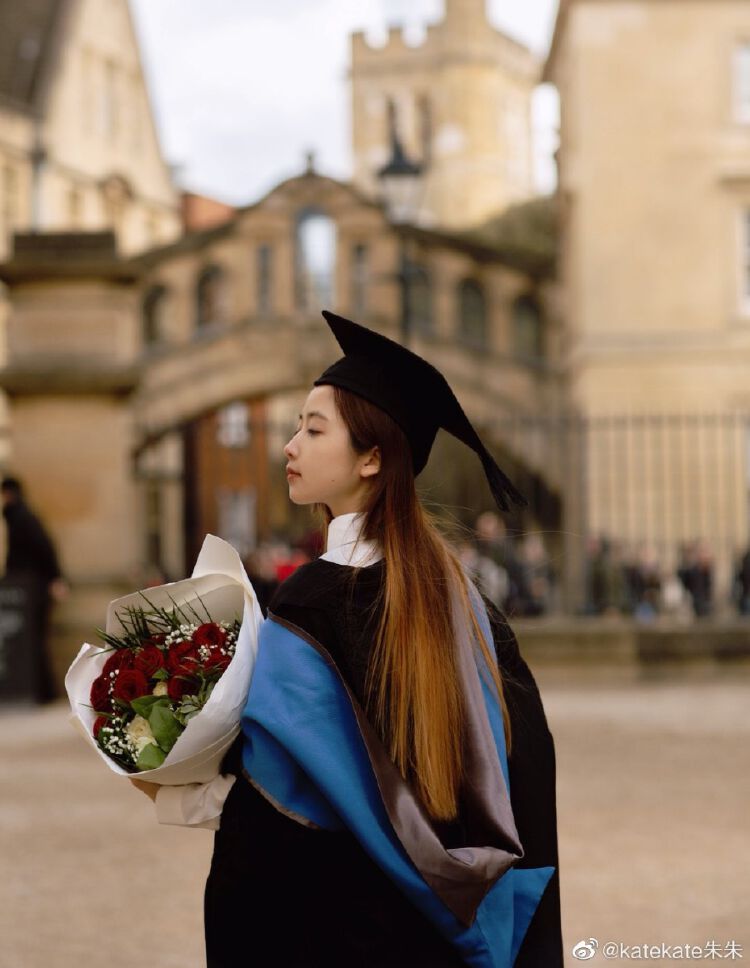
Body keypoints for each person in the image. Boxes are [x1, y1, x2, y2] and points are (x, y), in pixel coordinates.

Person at [132, 311, 563, 966]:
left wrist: (166, 775)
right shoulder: (466, 605)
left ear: (370, 458)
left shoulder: (315, 599)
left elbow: (270, 816)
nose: (289, 446)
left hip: (336, 932)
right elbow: (525, 776)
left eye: (312, 428)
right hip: (436, 936)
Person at [1, 476, 68, 702]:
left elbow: (44, 549)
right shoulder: (21, 516)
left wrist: (56, 578)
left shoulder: (22, 517)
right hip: (31, 588)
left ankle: (43, 692)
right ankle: (42, 692)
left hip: (32, 590)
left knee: (34, 641)